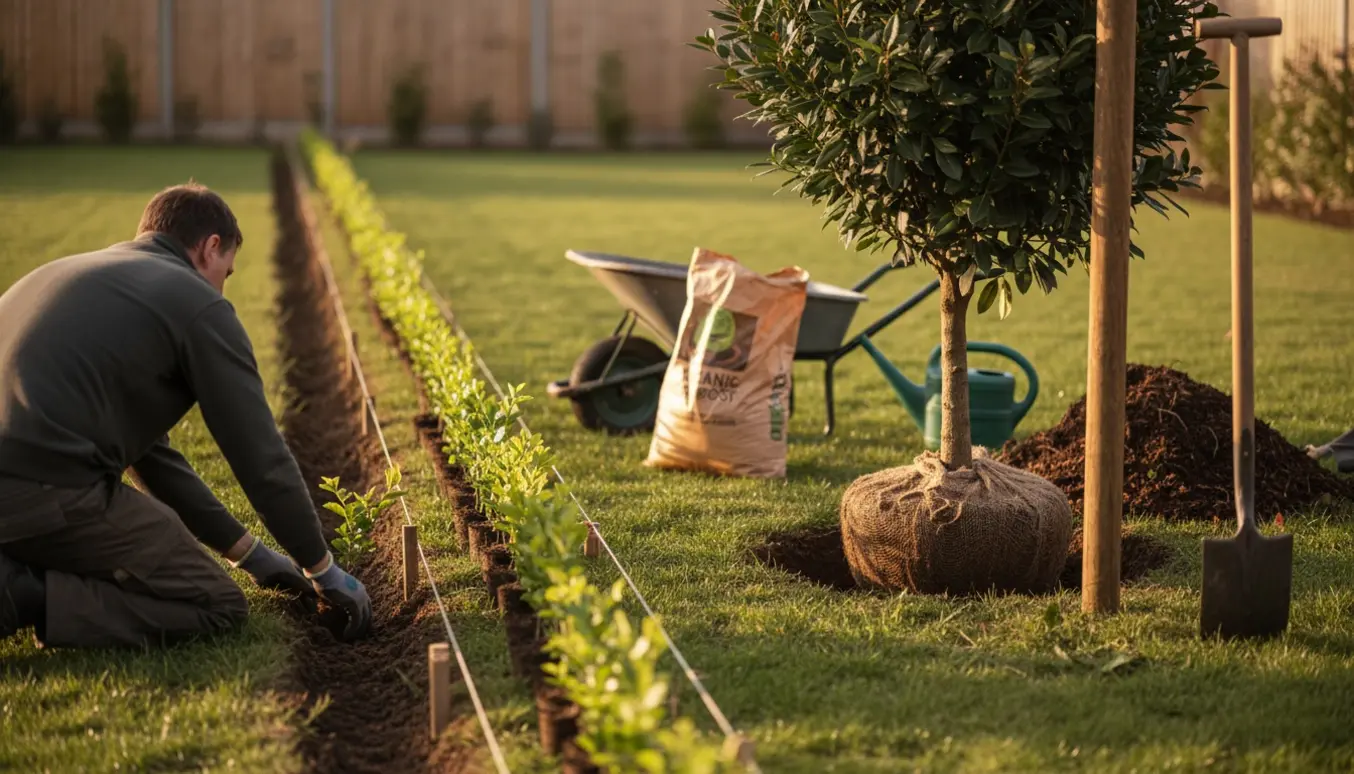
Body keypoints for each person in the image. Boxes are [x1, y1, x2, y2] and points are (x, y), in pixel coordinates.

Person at [0, 182, 371, 649]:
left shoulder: (79, 272)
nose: (222, 287)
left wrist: (251, 555)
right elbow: (261, 459)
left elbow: (151, 457)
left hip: (24, 478)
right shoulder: (197, 302)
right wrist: (323, 570)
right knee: (216, 602)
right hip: (43, 488)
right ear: (210, 247)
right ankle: (21, 595)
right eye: (227, 272)